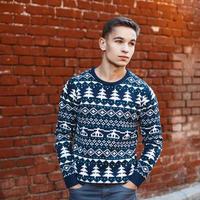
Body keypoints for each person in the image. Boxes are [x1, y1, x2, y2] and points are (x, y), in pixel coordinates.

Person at [54, 16, 163, 200]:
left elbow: (154, 141)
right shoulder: (76, 86)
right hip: (82, 188)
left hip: (123, 189)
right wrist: (72, 181)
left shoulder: (142, 92)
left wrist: (133, 183)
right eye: (119, 41)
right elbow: (62, 135)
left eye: (132, 43)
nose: (126, 49)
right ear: (103, 44)